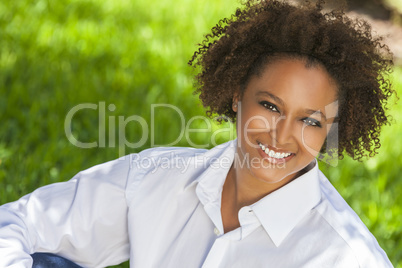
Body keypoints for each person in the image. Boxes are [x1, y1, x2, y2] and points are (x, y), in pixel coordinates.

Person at [0, 0, 395, 267]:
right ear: (238, 95)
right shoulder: (159, 177)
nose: (282, 136)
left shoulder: (344, 256)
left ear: (331, 131)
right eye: (270, 106)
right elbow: (19, 222)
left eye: (310, 121)